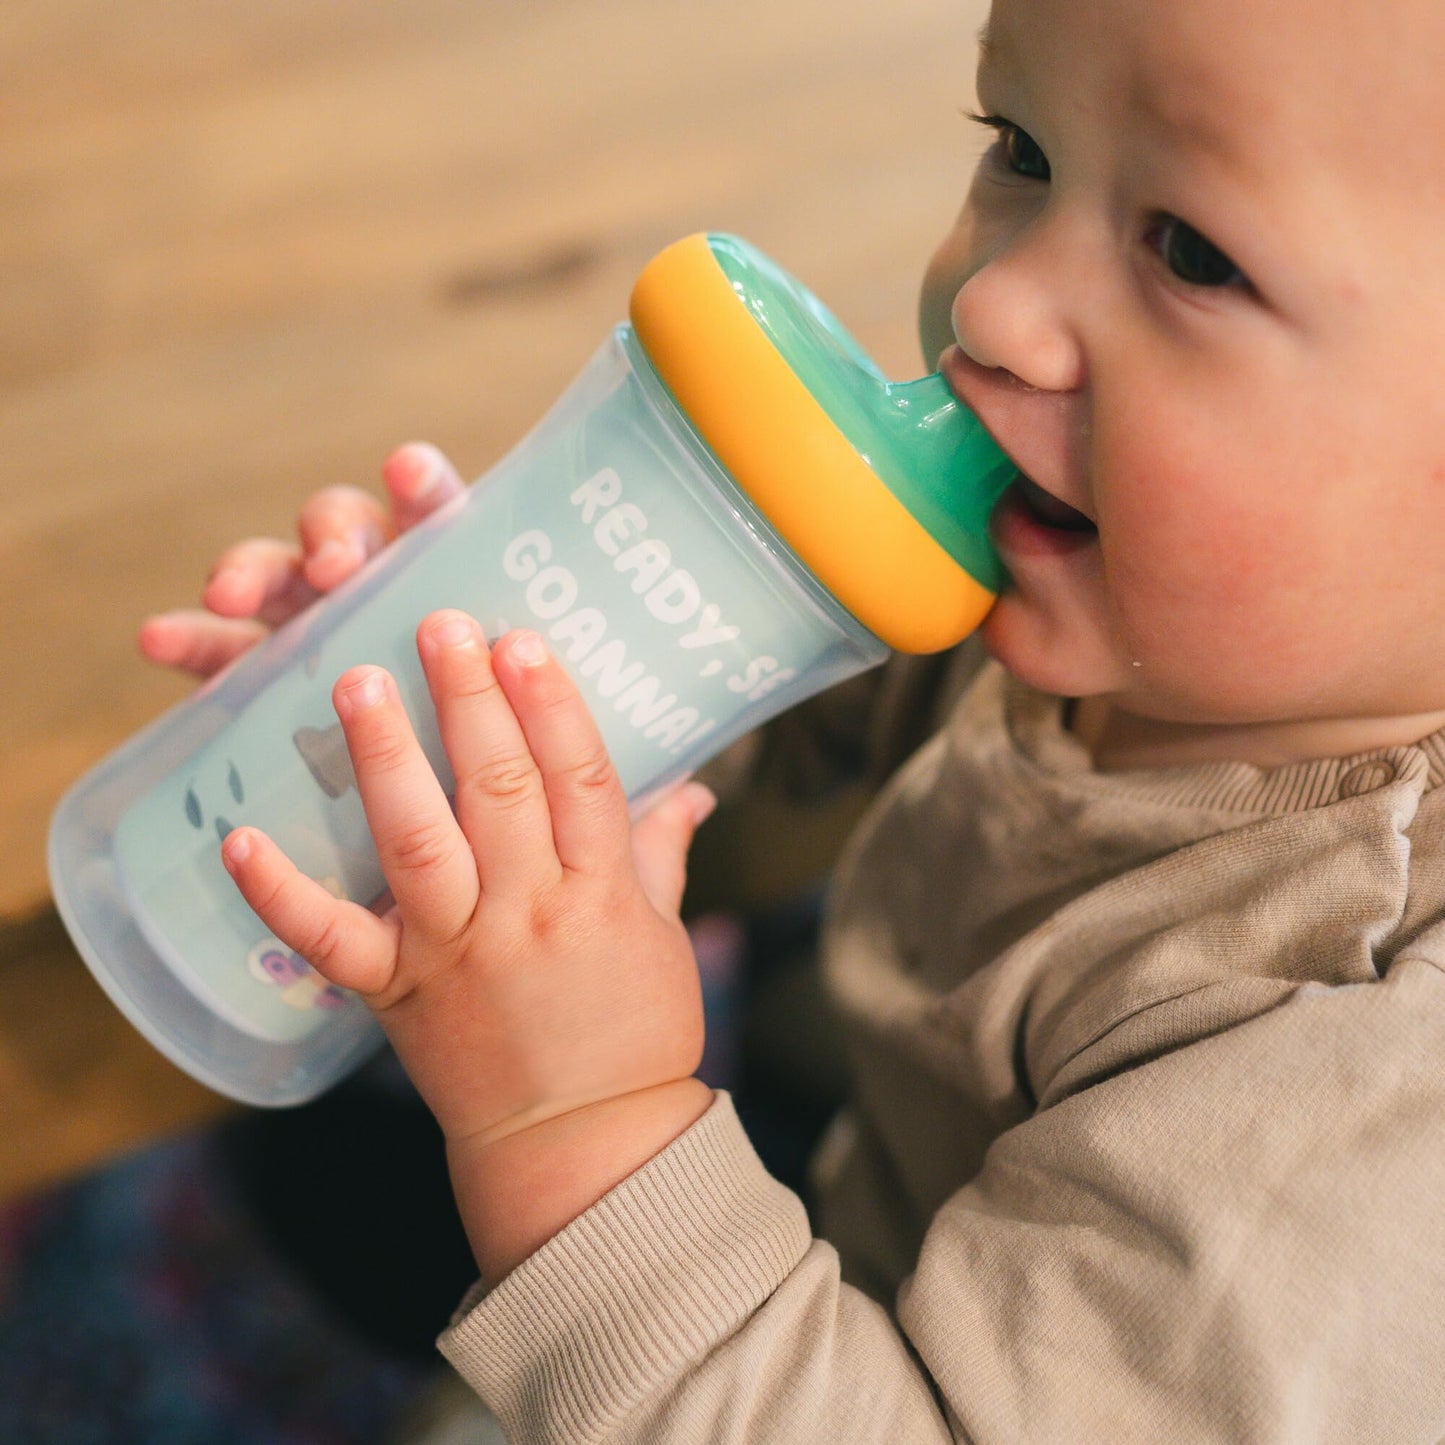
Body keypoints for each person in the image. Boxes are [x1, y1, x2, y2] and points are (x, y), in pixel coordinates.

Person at [141, 0, 1445, 1436]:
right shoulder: (1140, 597)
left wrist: (577, 1121)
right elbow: (795, 682)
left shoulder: (1358, 1097)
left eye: (1193, 253)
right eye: (1019, 146)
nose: (994, 302)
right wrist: (508, 673)